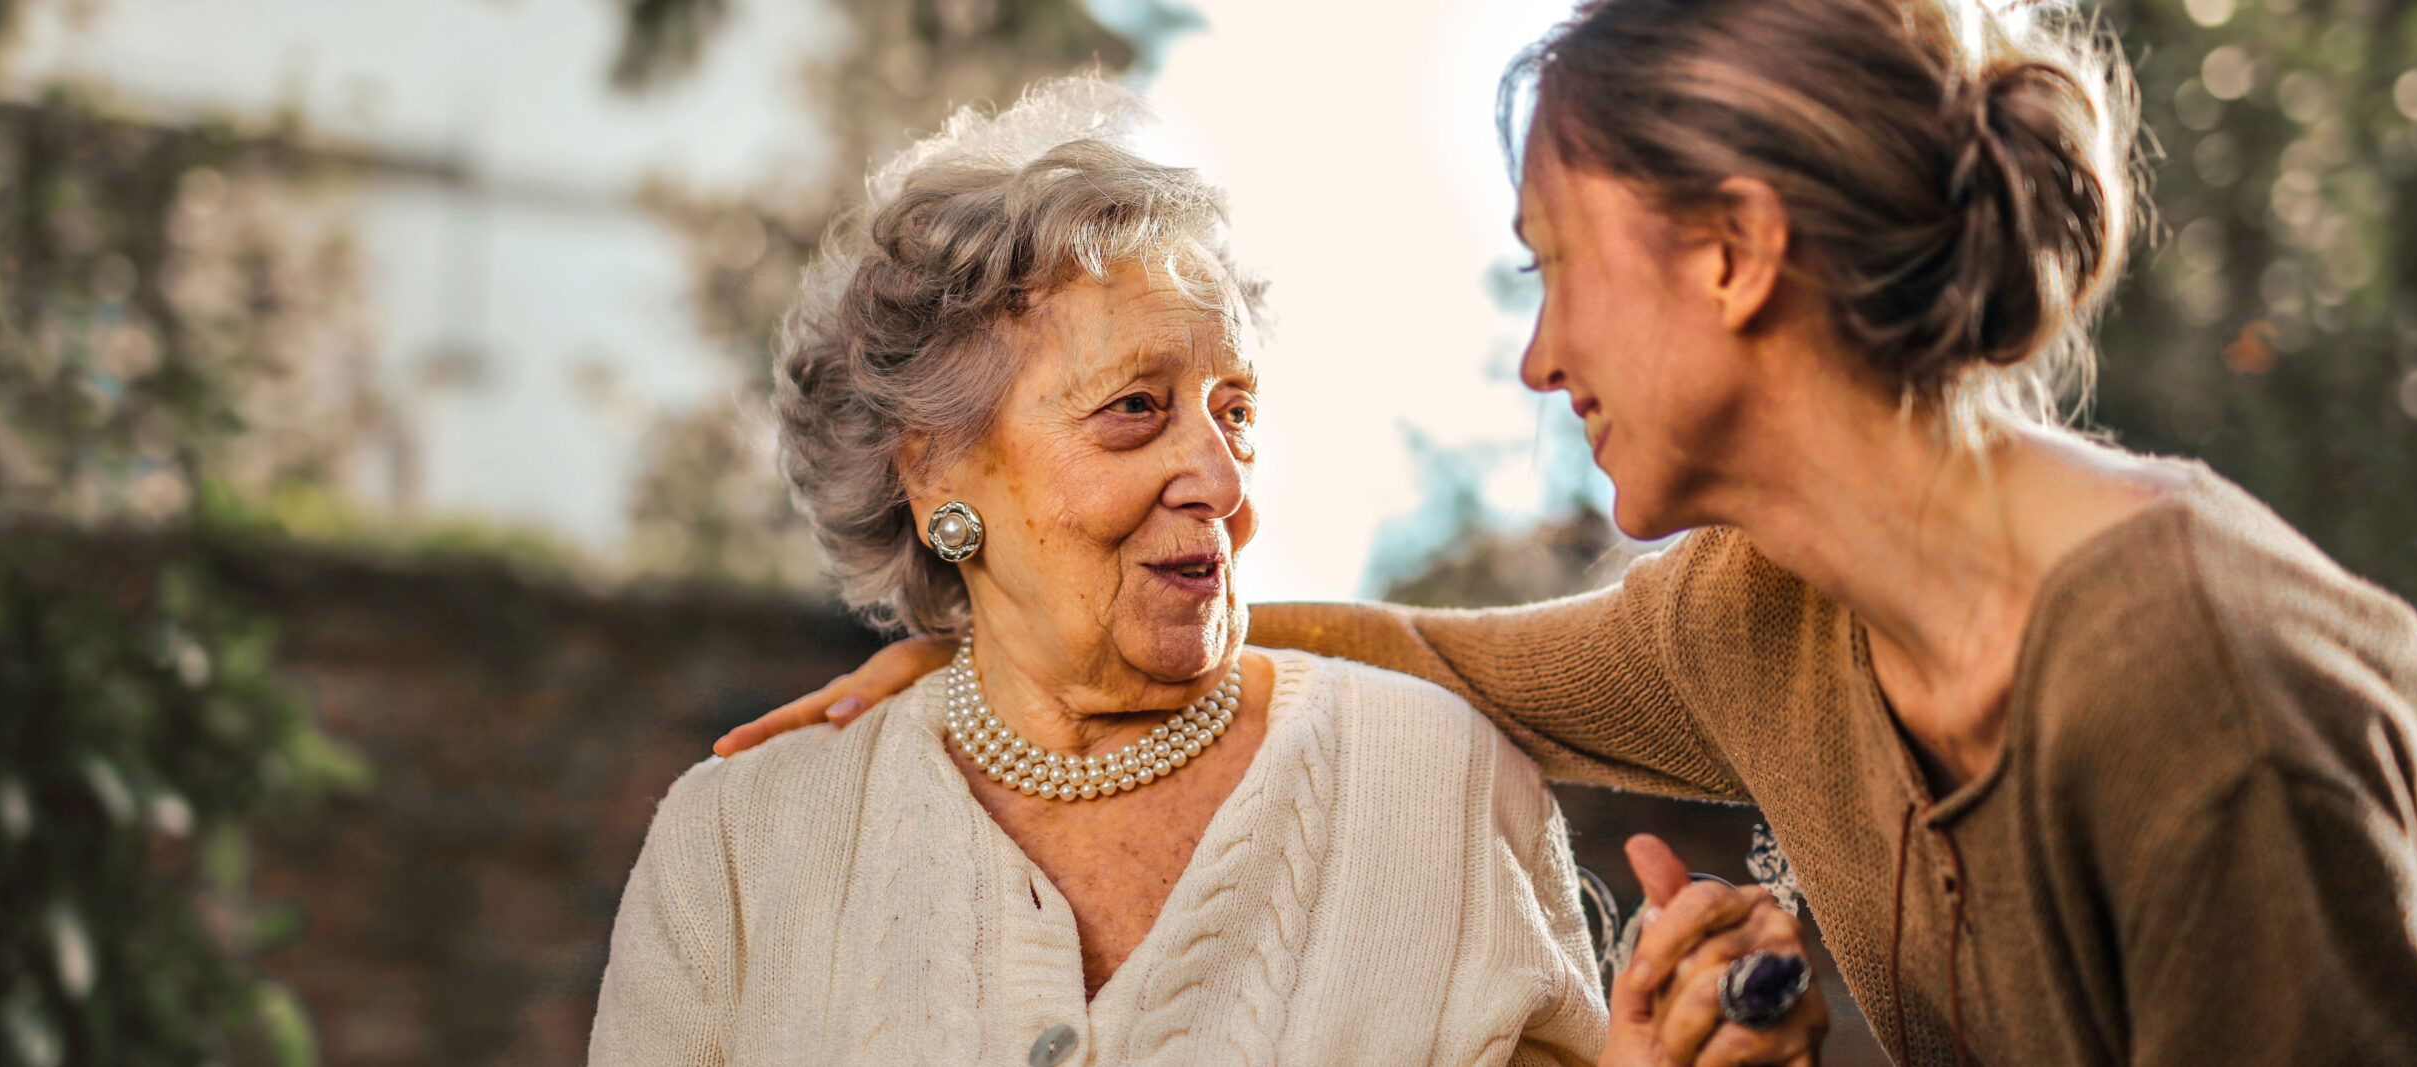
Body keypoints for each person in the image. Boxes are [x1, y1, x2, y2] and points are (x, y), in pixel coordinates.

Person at [715, 0, 2417, 1063]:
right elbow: (1422, 654)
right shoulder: (1762, 615)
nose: (1540, 353)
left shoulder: (2195, 687)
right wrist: (993, 641)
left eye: (1555, 262)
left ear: (1733, 251)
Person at [588, 78, 1646, 1065]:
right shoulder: (735, 842)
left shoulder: (1439, 784)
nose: (1220, 479)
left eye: (1234, 412)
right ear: (935, 467)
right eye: (1135, 407)